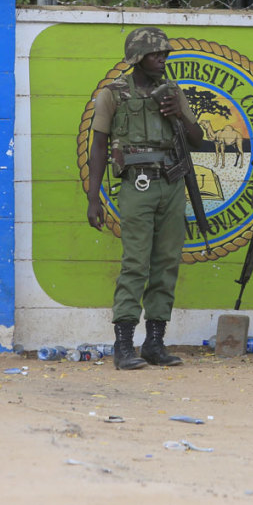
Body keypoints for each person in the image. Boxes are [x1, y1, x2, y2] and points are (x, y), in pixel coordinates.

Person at [86, 27, 204, 370]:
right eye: (156, 55)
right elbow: (98, 146)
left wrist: (178, 114)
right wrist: (93, 199)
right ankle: (124, 344)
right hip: (137, 185)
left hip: (171, 184)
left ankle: (155, 342)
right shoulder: (114, 94)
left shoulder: (172, 92)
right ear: (138, 58)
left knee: (166, 262)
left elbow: (197, 139)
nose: (163, 60)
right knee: (136, 262)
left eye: (165, 54)